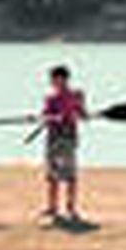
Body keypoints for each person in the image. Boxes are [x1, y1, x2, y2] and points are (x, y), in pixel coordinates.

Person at [42, 65, 89, 221]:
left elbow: (83, 115)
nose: (53, 82)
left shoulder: (77, 95)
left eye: (55, 79)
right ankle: (52, 208)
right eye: (52, 80)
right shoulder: (50, 98)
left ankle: (71, 208)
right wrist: (54, 118)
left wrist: (77, 115)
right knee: (52, 176)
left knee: (70, 176)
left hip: (68, 138)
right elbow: (46, 116)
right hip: (53, 138)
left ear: (63, 79)